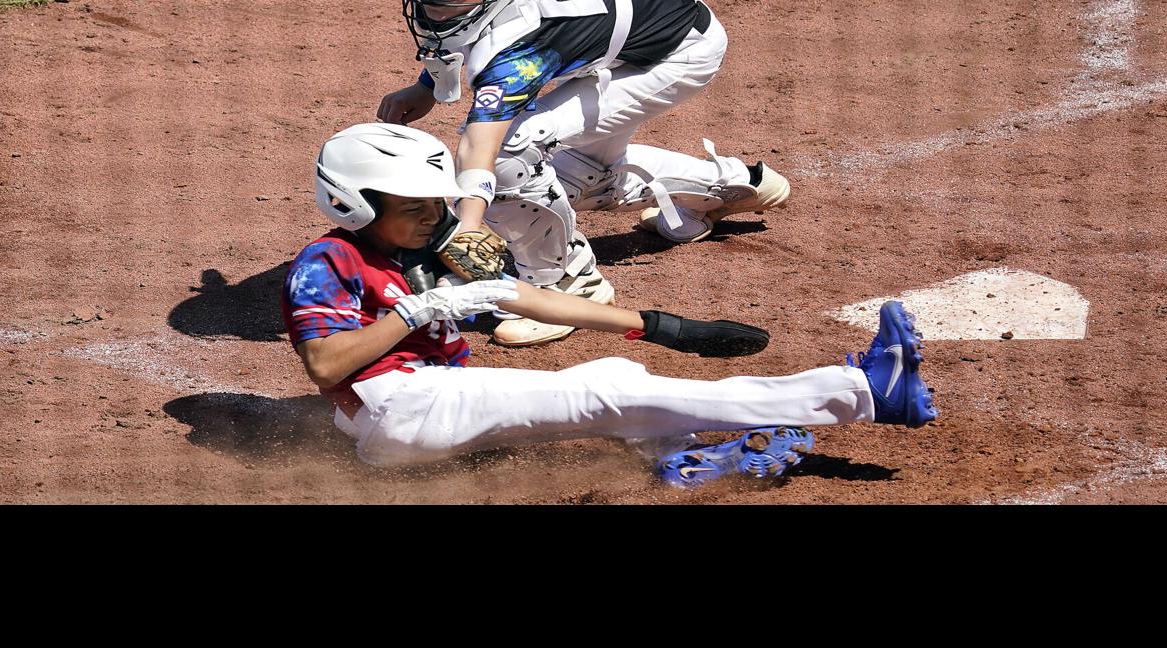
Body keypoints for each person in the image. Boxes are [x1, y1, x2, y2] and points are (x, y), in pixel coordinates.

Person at [287, 123, 934, 485]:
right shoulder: (330, 262)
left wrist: (660, 328)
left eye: (436, 201)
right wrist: (417, 312)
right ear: (355, 205)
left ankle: (684, 463)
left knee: (615, 379)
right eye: (413, 207)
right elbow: (324, 364)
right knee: (599, 400)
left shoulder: (432, 253)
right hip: (399, 406)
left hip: (427, 415)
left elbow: (531, 300)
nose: (433, 215)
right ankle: (864, 392)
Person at [377, 0, 790, 347]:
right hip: (621, 36)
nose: (433, 7)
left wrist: (468, 222)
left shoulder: (526, 42)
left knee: (510, 156)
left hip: (674, 53)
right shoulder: (494, 11)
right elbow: (465, 32)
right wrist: (428, 86)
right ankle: (731, 187)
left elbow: (480, 146)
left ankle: (566, 285)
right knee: (579, 178)